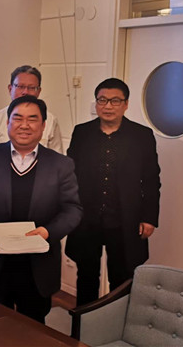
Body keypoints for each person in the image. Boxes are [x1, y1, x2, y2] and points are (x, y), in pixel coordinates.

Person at [0, 95, 82, 323]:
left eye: (32, 119)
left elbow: (73, 209)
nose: (24, 125)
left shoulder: (61, 164)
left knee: (33, 328)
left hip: (38, 264)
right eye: (17, 118)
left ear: (43, 125)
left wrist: (48, 232)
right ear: (8, 123)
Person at [65, 78, 161, 306]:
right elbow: (69, 175)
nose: (108, 106)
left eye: (115, 101)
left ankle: (116, 322)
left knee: (122, 277)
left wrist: (149, 217)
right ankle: (84, 322)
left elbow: (151, 180)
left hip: (125, 219)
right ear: (96, 103)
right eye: (102, 100)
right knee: (86, 275)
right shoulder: (82, 133)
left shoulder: (142, 135)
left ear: (125, 104)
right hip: (87, 218)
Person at [0, 65, 63, 153]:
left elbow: (57, 156)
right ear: (10, 89)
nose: (25, 92)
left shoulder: (50, 120)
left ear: (38, 91)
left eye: (31, 88)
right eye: (20, 86)